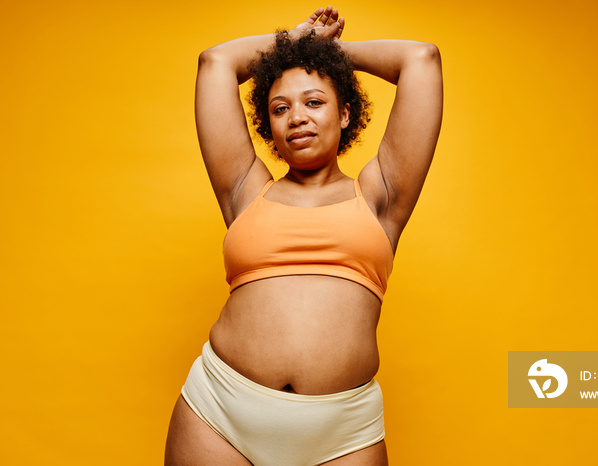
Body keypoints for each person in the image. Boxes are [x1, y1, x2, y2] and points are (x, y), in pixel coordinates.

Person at [165, 6, 442, 465]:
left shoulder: (381, 196)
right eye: (280, 108)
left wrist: (325, 52)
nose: (297, 117)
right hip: (220, 413)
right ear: (268, 126)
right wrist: (293, 42)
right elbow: (215, 63)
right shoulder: (244, 189)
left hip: (343, 429)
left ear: (346, 113)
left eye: (314, 101)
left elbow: (422, 59)